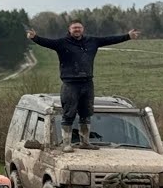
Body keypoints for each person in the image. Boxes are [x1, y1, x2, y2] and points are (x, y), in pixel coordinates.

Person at [27, 21, 139, 152]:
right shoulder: (62, 43)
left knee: (86, 114)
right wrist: (35, 38)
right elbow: (47, 42)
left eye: (79, 28)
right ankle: (67, 144)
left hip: (87, 83)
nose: (77, 30)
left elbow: (110, 39)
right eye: (74, 28)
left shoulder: (92, 41)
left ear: (83, 29)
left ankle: (85, 142)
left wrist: (127, 36)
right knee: (68, 114)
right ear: (69, 29)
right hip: (70, 83)